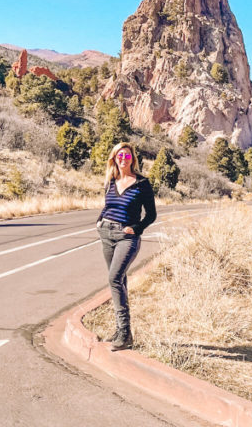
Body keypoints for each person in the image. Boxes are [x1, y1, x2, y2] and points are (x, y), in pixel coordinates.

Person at [95, 142, 156, 351]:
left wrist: (137, 229)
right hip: (106, 234)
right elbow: (108, 206)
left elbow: (151, 214)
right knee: (120, 281)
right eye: (120, 155)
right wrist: (99, 221)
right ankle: (121, 329)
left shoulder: (142, 183)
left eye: (127, 156)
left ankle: (125, 333)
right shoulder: (111, 181)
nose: (124, 159)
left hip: (126, 237)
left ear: (133, 159)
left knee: (114, 279)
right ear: (115, 158)